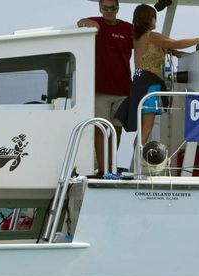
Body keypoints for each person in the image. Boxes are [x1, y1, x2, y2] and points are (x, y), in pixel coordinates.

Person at [115, 4, 199, 144]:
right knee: (147, 128)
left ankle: (138, 160)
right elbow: (175, 44)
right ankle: (139, 160)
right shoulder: (152, 36)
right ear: (150, 19)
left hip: (139, 83)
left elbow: (174, 51)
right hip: (149, 84)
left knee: (144, 129)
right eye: (154, 17)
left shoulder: (139, 37)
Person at [77, 0, 133, 176]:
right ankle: (102, 169)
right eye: (105, 8)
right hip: (99, 89)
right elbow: (79, 23)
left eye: (112, 8)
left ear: (118, 9)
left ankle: (111, 166)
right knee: (100, 129)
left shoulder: (127, 28)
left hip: (123, 89)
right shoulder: (96, 23)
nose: (109, 12)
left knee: (116, 130)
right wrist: (86, 22)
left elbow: (143, 44)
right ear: (100, 9)